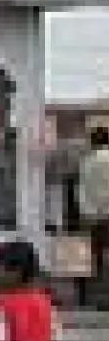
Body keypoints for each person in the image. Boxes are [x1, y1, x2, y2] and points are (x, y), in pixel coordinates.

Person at [78, 127, 109, 306]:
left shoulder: (86, 161)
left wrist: (86, 213)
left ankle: (91, 297)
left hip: (92, 215)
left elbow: (82, 190)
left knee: (93, 257)